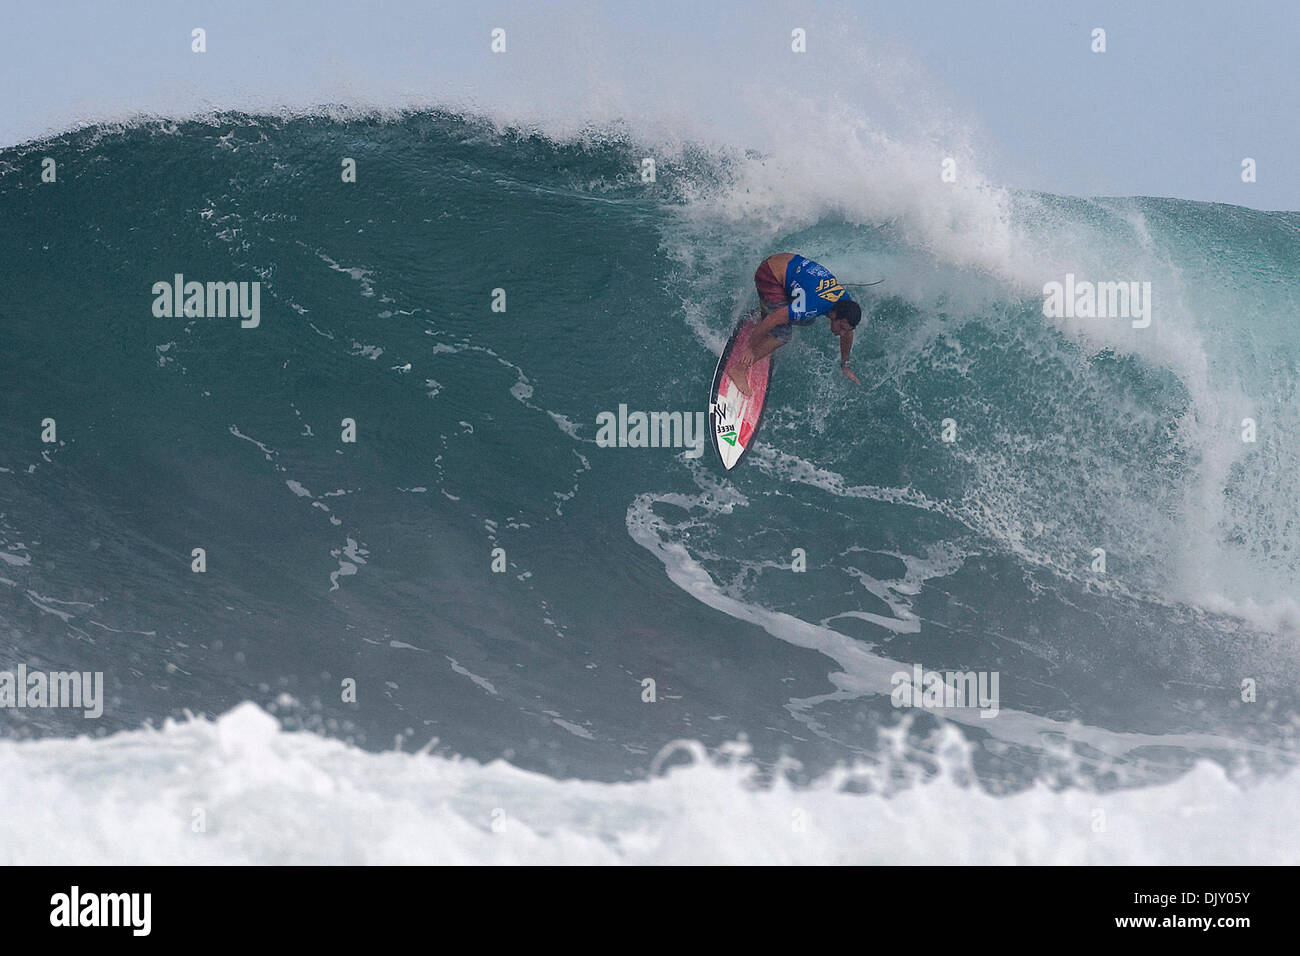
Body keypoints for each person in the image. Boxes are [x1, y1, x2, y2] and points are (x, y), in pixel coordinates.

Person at [729, 253, 862, 395]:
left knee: (808, 320)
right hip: (769, 275)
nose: (841, 333)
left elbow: (848, 332)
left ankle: (769, 309)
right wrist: (750, 346)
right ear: (833, 315)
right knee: (783, 334)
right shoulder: (812, 307)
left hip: (787, 266)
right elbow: (772, 320)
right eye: (841, 327)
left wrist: (845, 364)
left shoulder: (845, 304)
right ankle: (739, 369)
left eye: (845, 329)